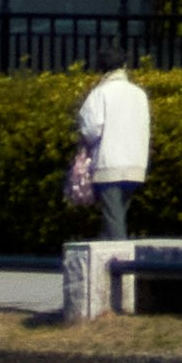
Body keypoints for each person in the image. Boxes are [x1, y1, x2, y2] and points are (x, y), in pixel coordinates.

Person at [70, 65, 151, 247]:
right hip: (136, 162)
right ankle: (105, 265)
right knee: (116, 214)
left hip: (109, 163)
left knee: (114, 220)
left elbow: (91, 129)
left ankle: (122, 266)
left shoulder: (100, 93)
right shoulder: (139, 94)